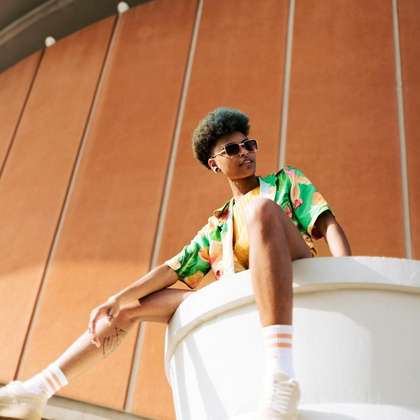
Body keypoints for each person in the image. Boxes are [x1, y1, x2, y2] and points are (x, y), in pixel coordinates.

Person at [0, 107, 351, 420]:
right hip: (245, 295)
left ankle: (281, 376)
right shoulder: (218, 226)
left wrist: (349, 276)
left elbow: (328, 224)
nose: (244, 152)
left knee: (260, 210)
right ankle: (39, 389)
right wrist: (116, 298)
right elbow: (171, 270)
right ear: (215, 164)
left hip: (296, 276)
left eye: (248, 144)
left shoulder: (285, 182)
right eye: (232, 149)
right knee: (130, 307)